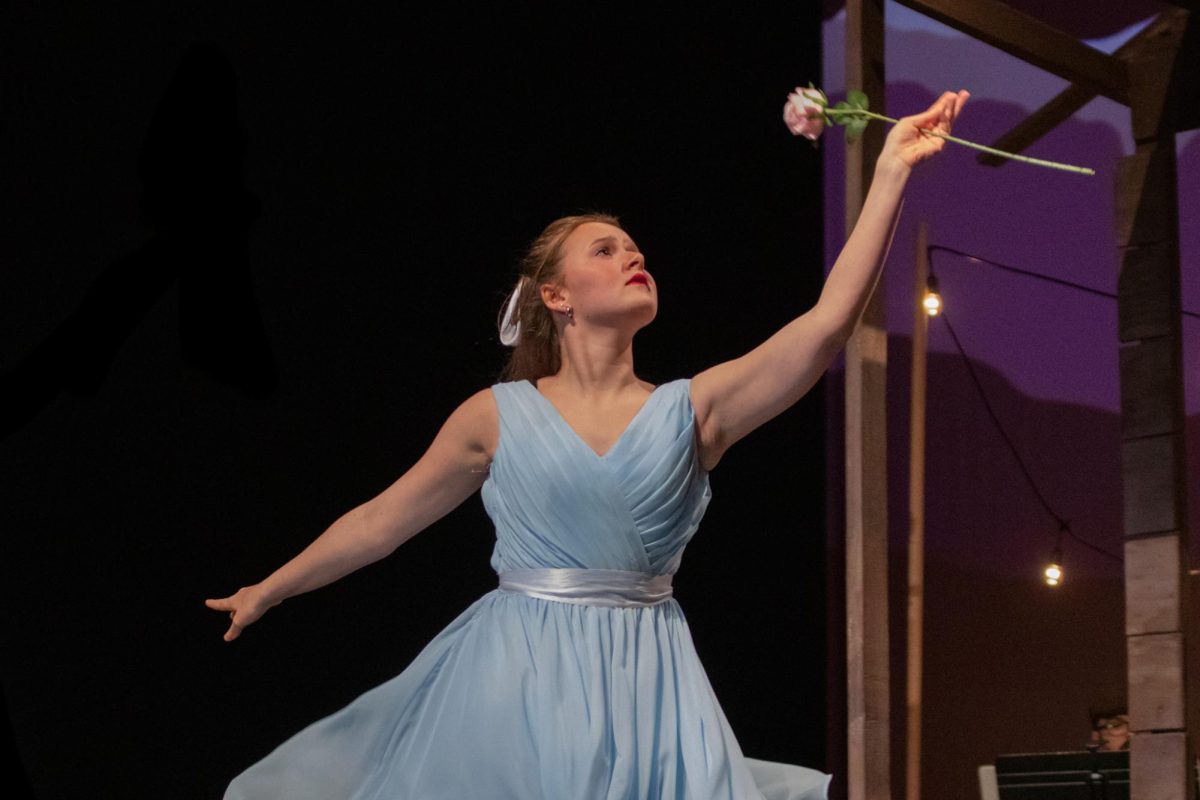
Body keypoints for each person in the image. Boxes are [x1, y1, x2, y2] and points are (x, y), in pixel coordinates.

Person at [207, 88, 969, 799]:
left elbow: (827, 322)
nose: (633, 257)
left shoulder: (694, 410)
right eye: (605, 250)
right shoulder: (497, 415)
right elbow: (380, 521)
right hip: (517, 679)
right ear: (556, 296)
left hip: (652, 682)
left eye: (635, 249)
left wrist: (892, 169)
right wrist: (270, 587)